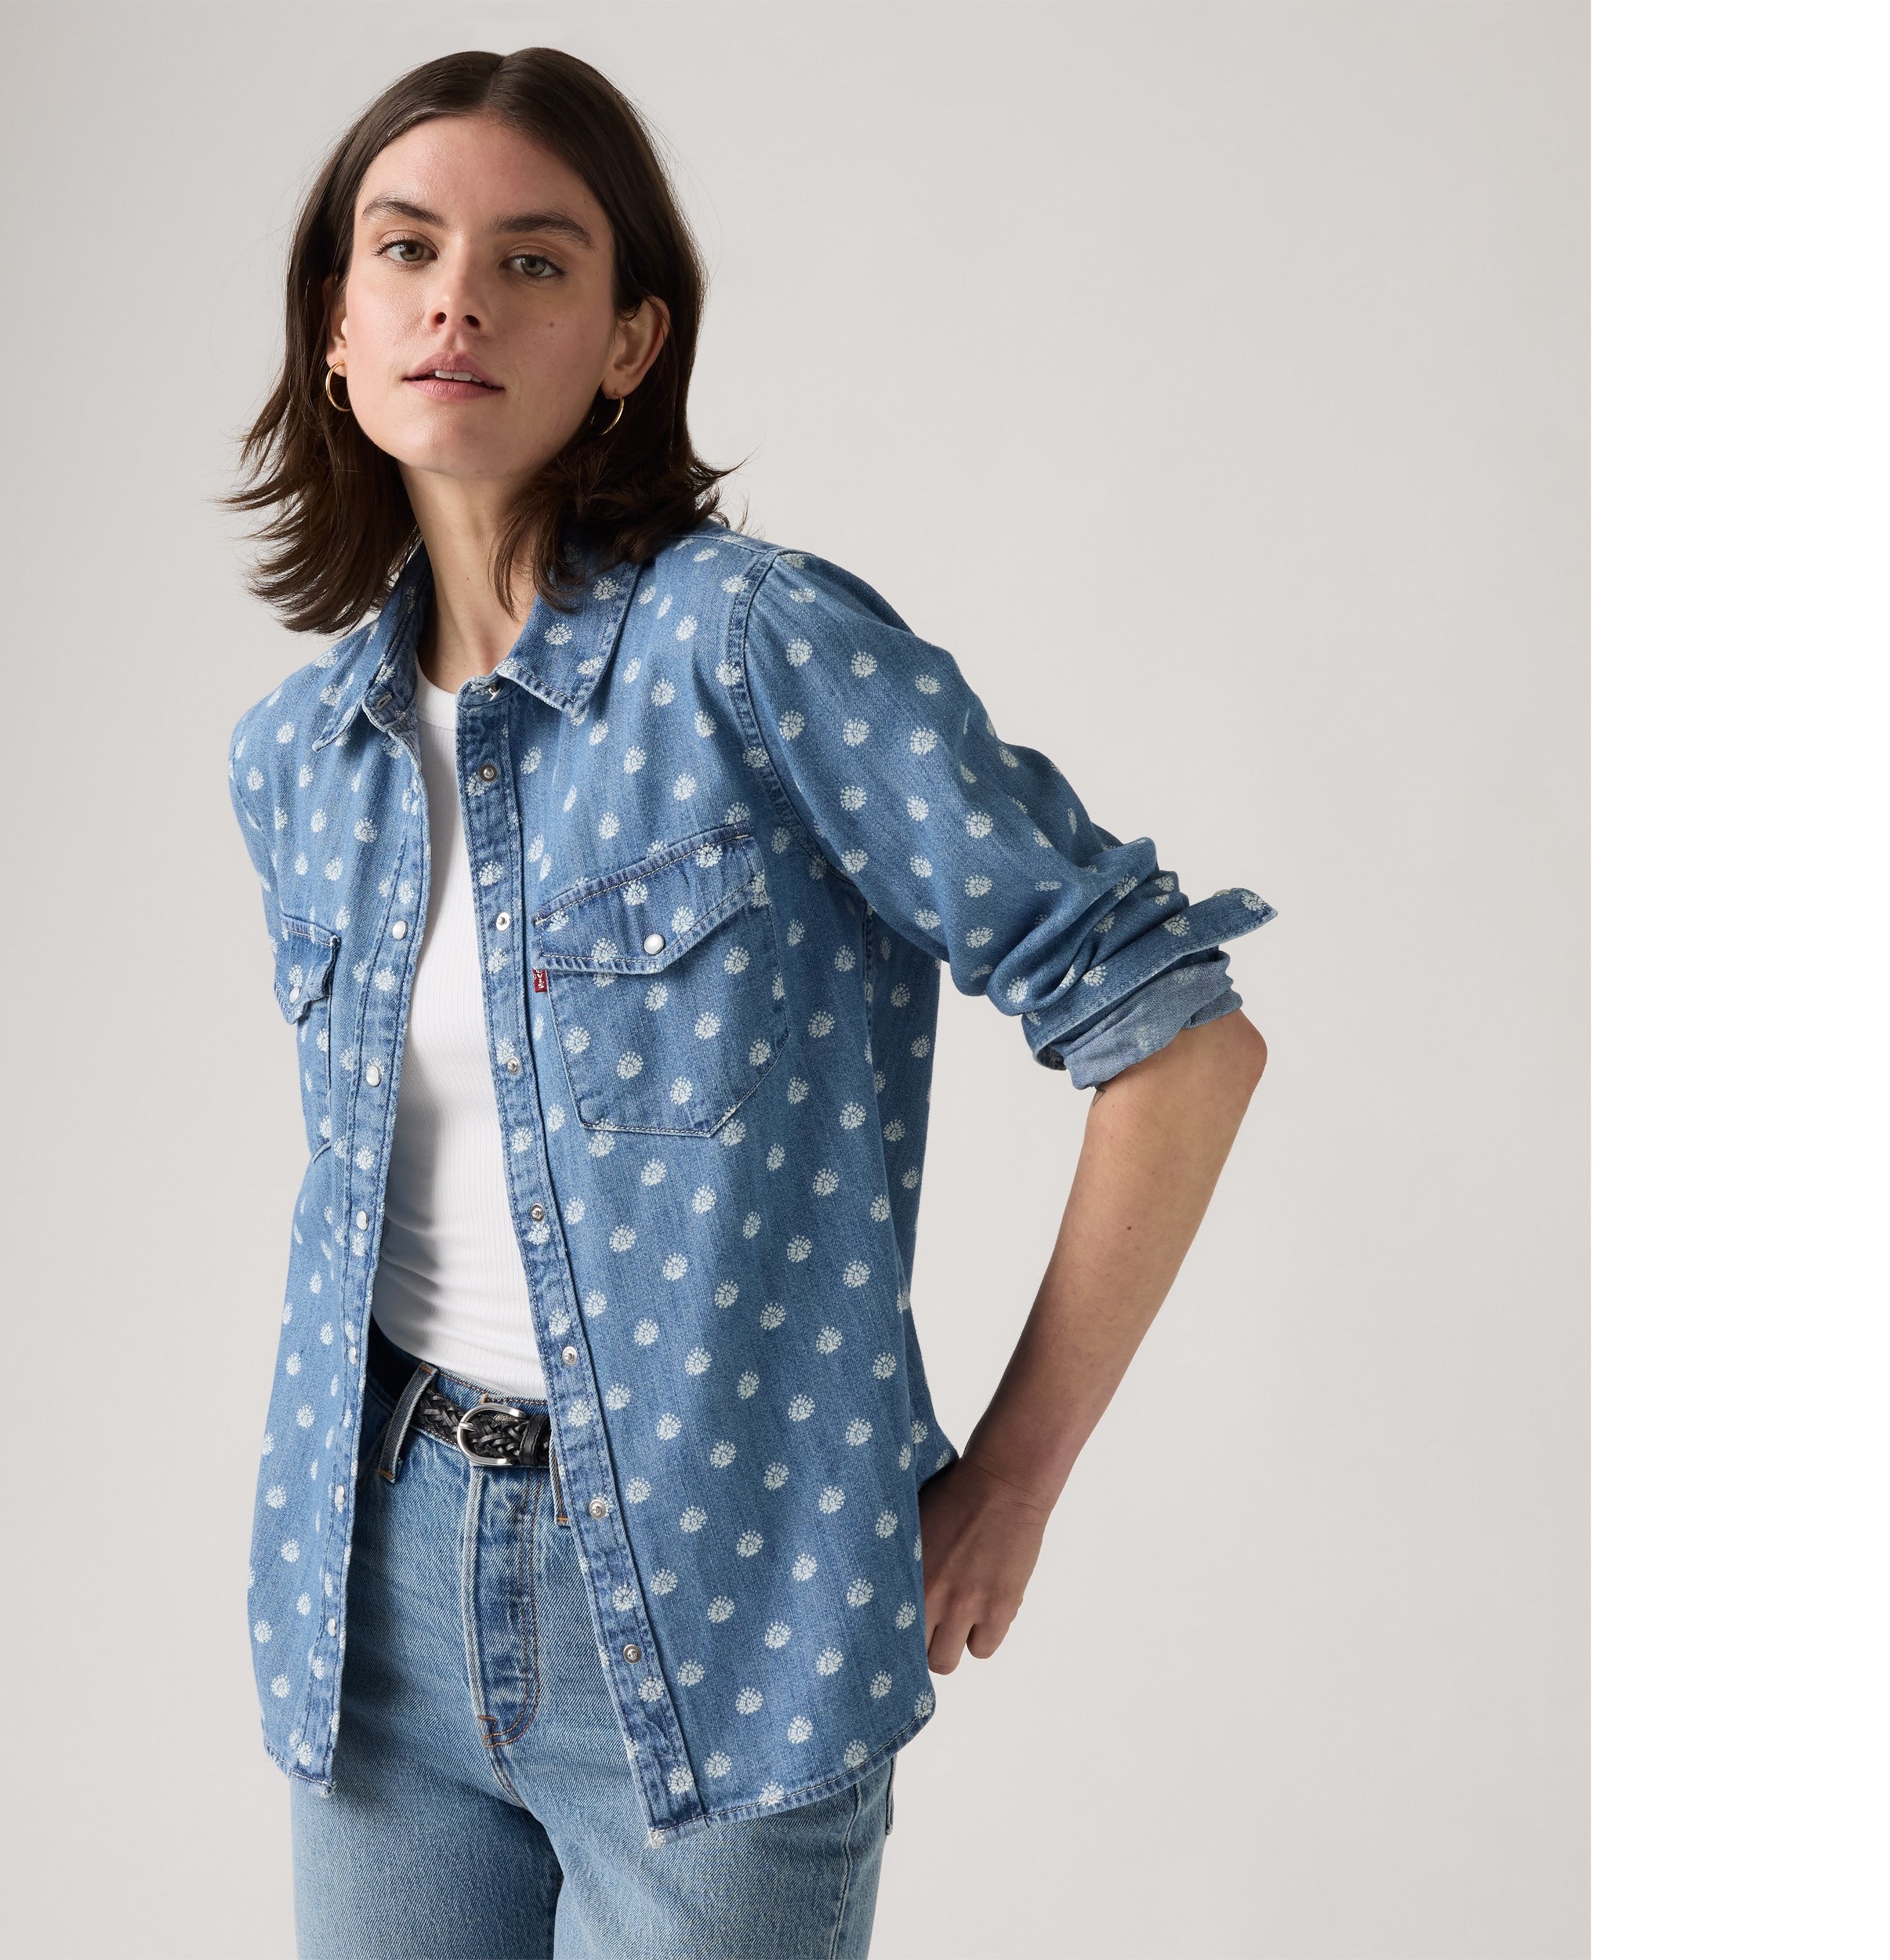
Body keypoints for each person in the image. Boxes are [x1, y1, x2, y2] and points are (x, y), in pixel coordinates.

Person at [221, 48, 1272, 1960]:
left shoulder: (752, 647)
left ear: (629, 341)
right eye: (407, 249)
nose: (458, 302)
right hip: (373, 1602)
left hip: (720, 1619)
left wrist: (1010, 1478)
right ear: (336, 325)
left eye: (533, 260)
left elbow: (1179, 1043)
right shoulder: (303, 754)